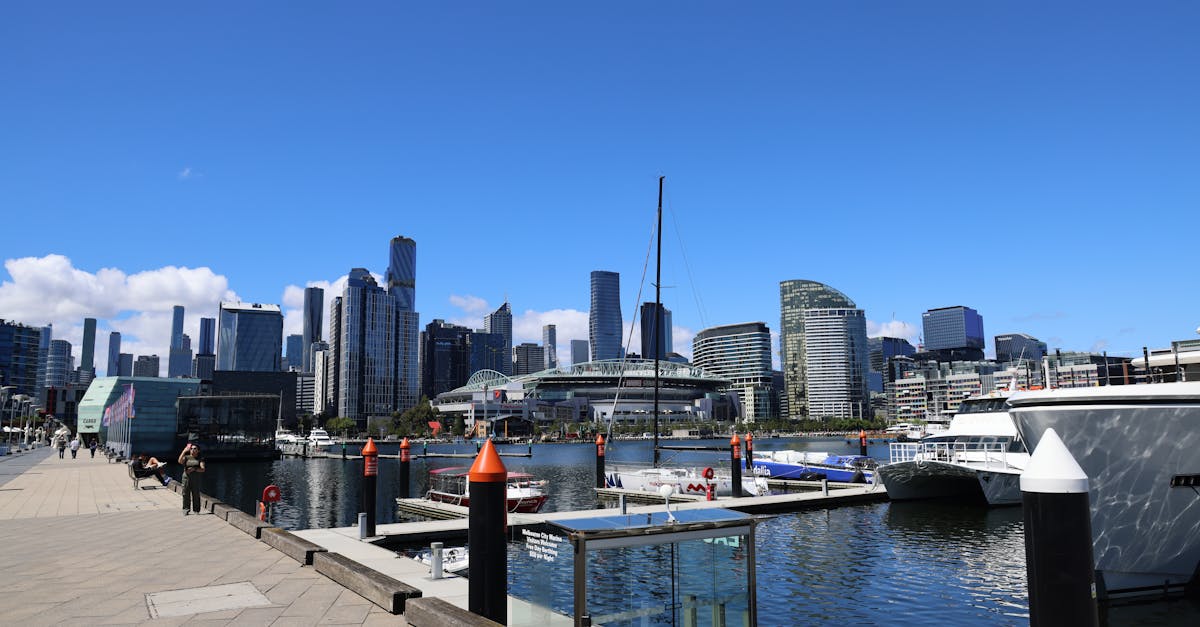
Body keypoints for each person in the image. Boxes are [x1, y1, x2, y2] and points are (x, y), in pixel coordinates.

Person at [177, 443, 205, 515]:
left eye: (195, 449)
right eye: (191, 448)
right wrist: (184, 451)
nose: (193, 450)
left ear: (198, 450)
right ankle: (186, 509)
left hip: (196, 478)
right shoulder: (186, 457)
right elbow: (179, 461)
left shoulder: (200, 458)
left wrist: (194, 469)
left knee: (196, 494)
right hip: (186, 478)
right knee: (185, 493)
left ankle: (196, 510)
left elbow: (203, 469)